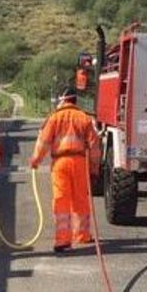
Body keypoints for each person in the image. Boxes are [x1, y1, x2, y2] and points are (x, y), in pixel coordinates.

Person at [30, 87, 100, 253]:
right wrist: (94, 168)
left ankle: (62, 239)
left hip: (60, 163)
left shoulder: (54, 118)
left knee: (61, 200)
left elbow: (43, 142)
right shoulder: (84, 118)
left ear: (62, 99)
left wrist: (35, 160)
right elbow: (94, 146)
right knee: (80, 199)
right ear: (75, 101)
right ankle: (82, 235)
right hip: (80, 162)